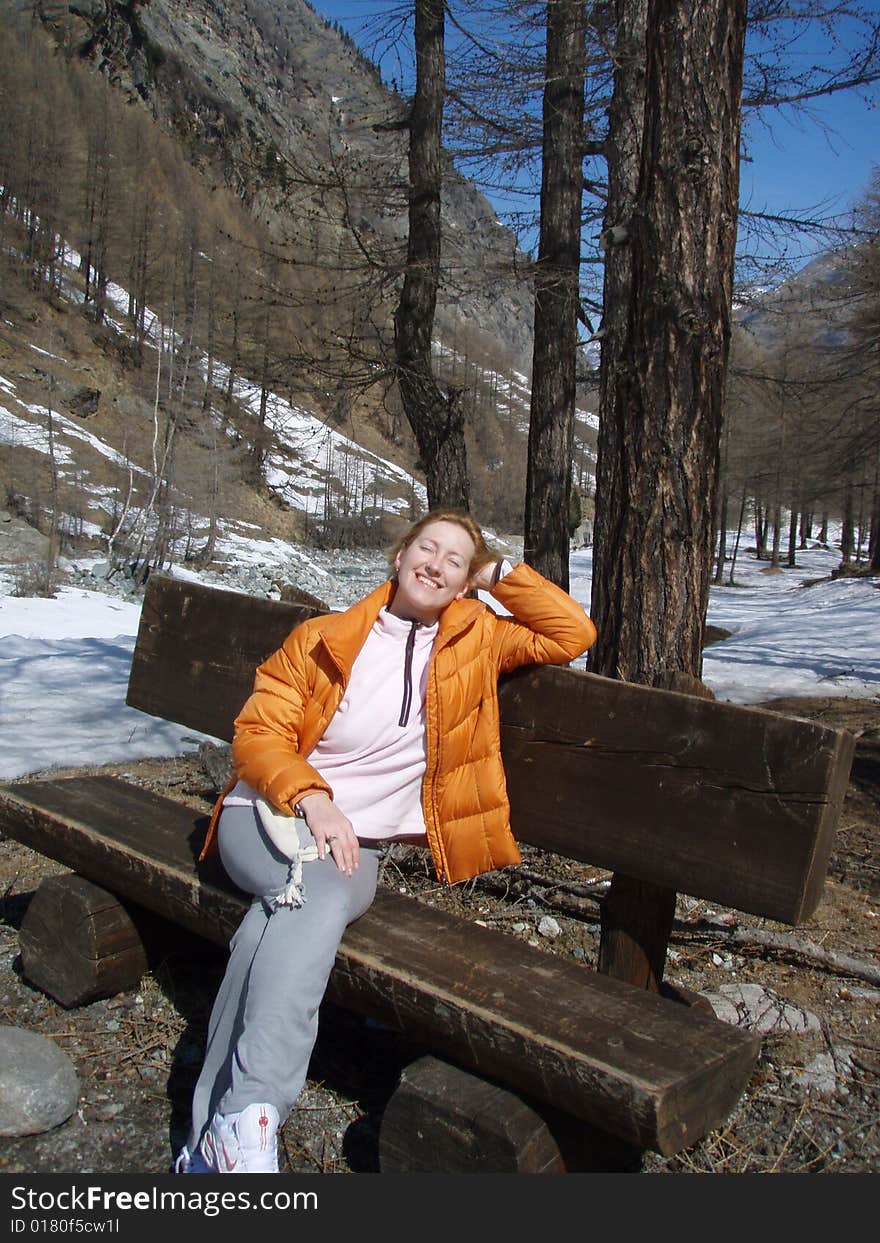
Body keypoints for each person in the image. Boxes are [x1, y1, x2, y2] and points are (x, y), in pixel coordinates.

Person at [174, 509, 596, 1173]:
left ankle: (213, 1138)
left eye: (455, 559)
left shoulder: (479, 642)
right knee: (304, 895)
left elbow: (574, 631)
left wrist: (495, 573)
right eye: (426, 547)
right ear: (399, 558)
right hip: (267, 817)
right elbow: (257, 736)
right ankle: (255, 1111)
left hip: (354, 849)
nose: (436, 562)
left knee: (275, 921)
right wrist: (313, 798)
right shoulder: (322, 638)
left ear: (466, 582)